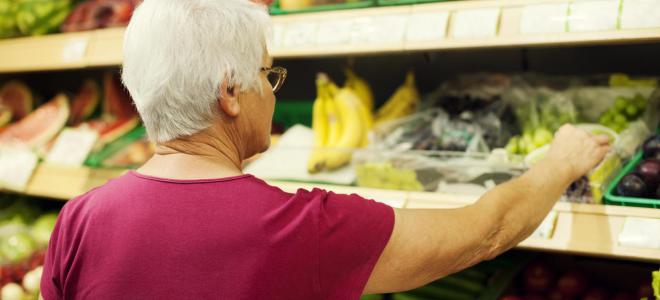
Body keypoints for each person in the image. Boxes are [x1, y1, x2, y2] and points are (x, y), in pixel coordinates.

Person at [40, 0, 610, 299]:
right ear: (230, 93)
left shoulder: (79, 221)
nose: (272, 89)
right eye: (268, 75)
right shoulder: (298, 228)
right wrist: (560, 162)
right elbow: (484, 231)